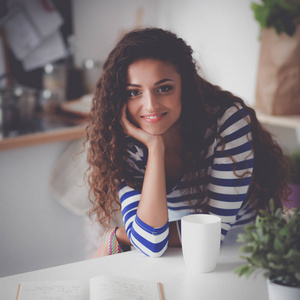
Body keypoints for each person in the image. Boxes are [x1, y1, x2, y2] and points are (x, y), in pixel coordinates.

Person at [85, 28, 289, 258]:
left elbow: (212, 231)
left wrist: (120, 235)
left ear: (185, 86)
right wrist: (154, 147)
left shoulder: (227, 123)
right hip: (181, 252)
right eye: (134, 93)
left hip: (246, 253)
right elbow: (152, 243)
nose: (150, 105)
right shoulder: (125, 141)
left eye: (164, 88)